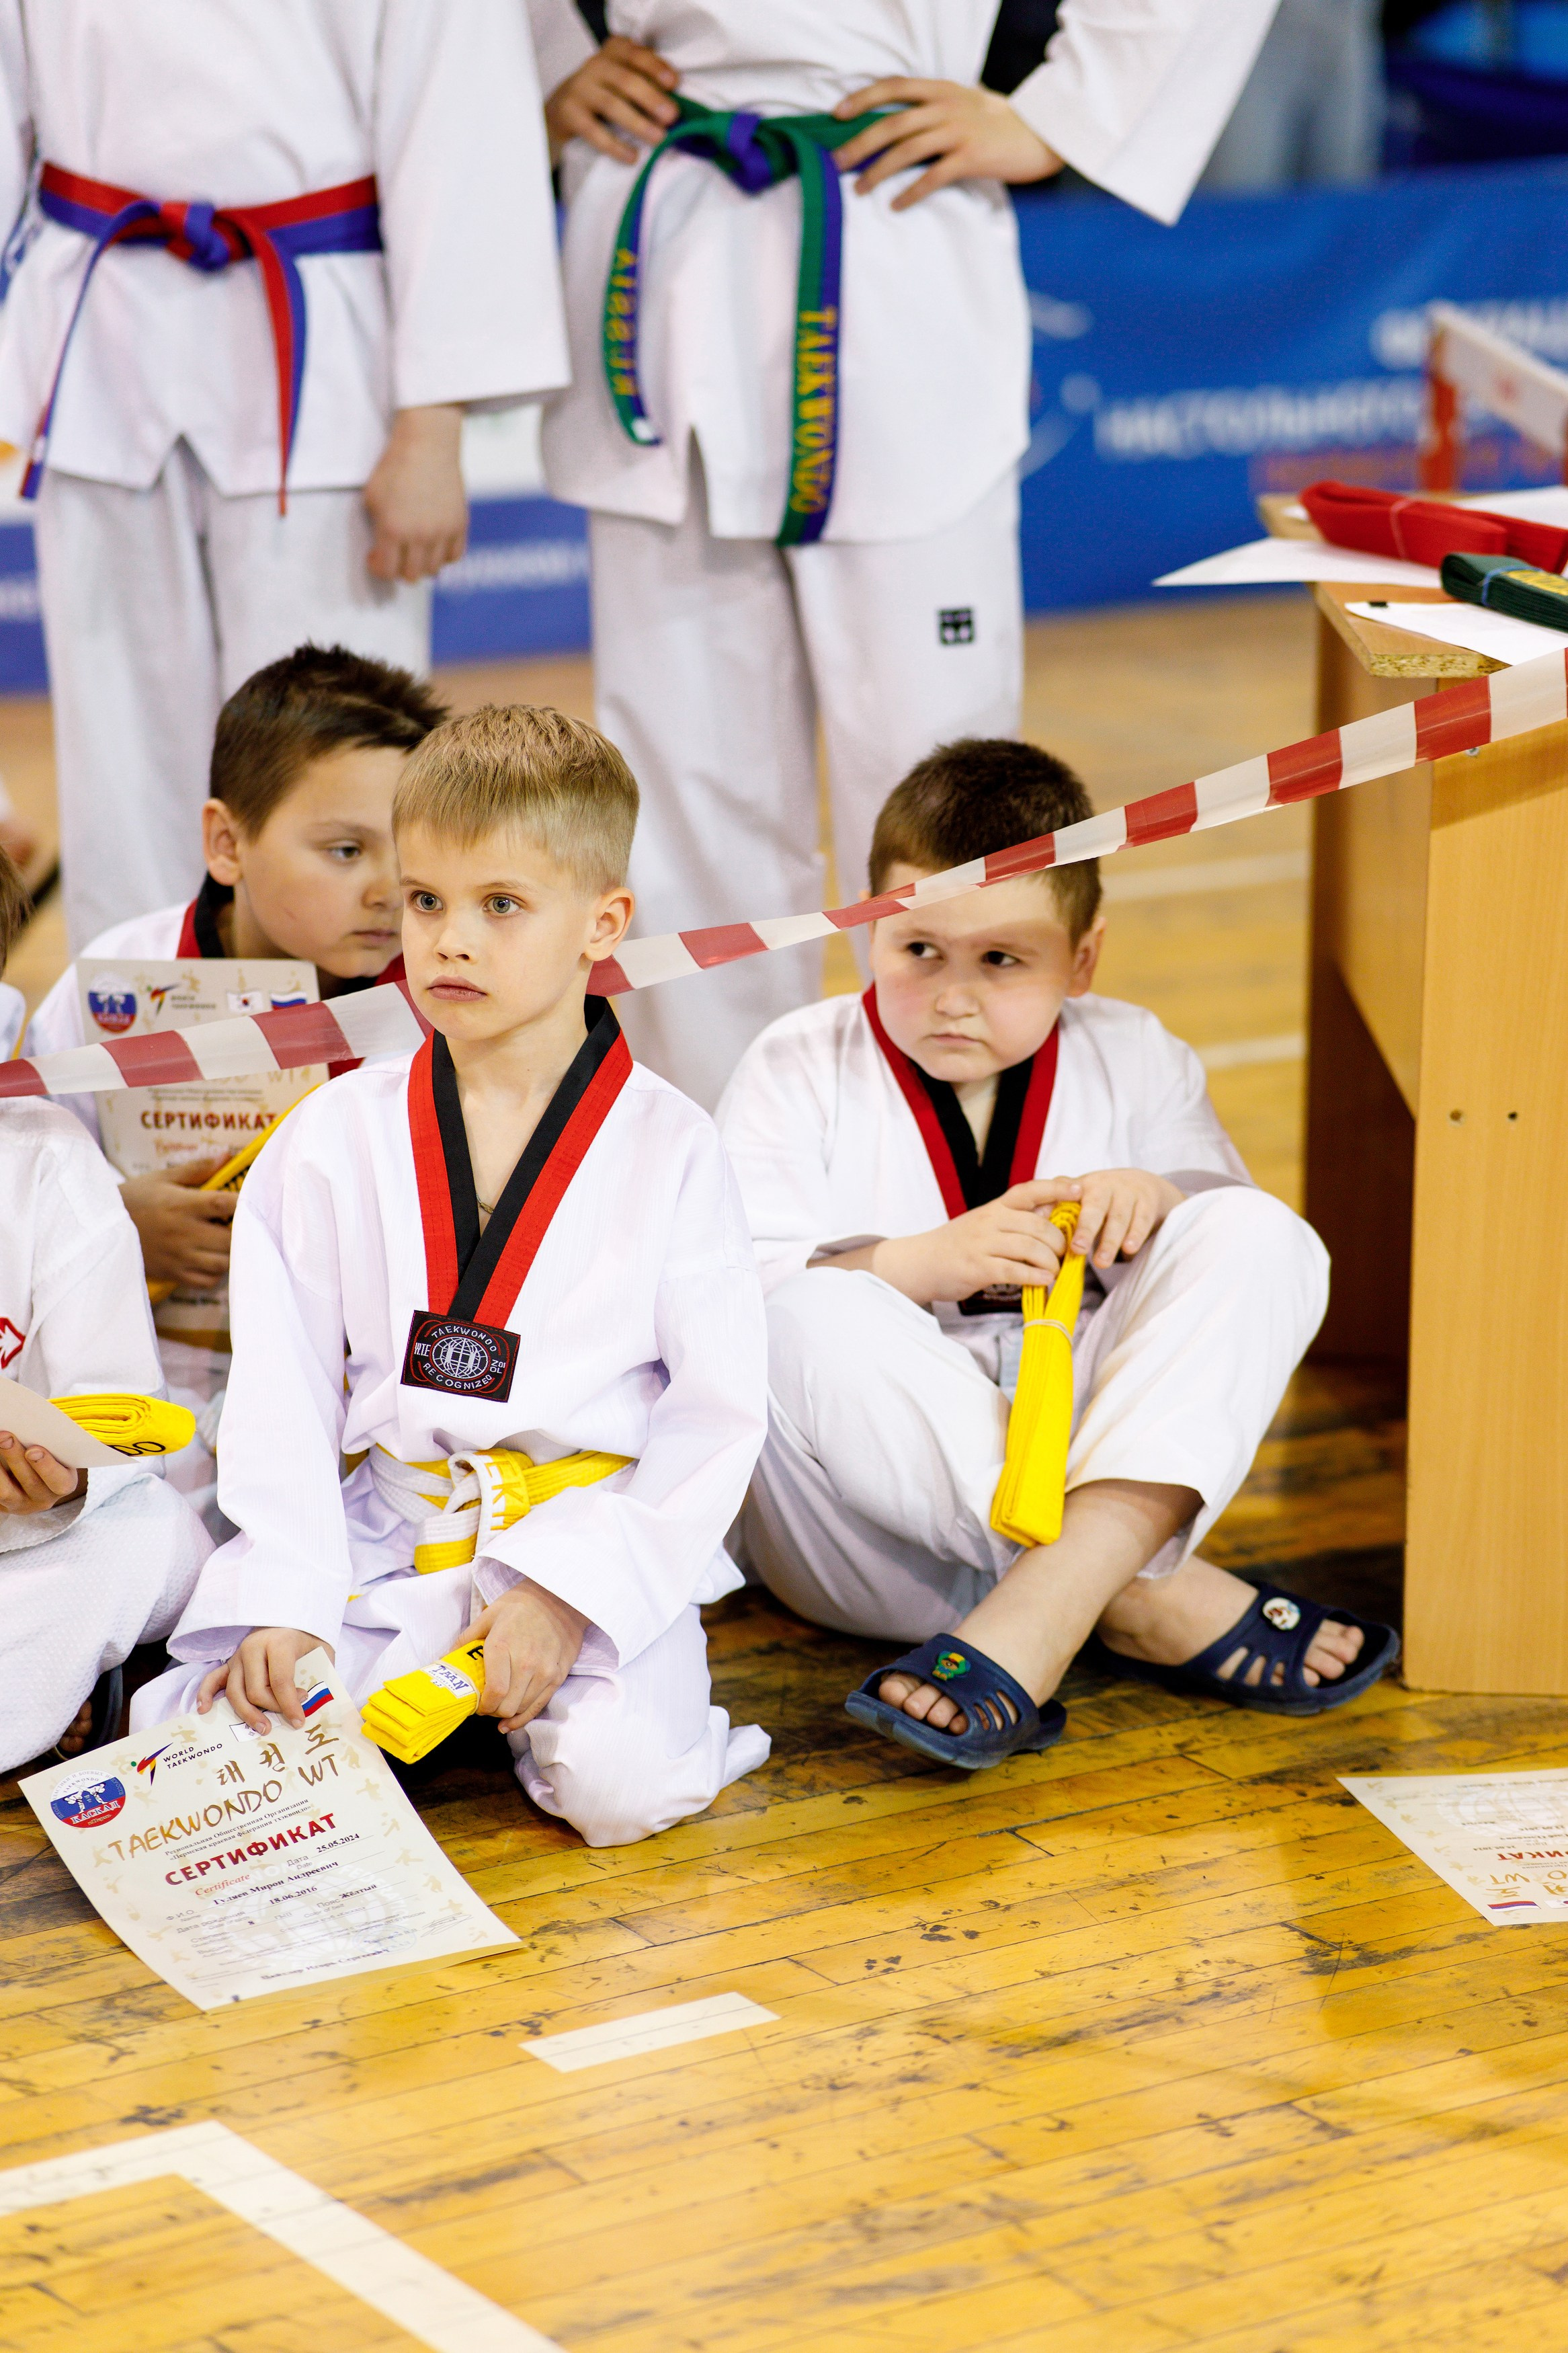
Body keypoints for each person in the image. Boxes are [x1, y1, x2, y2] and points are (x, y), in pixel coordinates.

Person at [529, 0, 1281, 1107]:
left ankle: (950, 1149)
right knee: (684, 808)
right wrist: (546, 51)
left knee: (940, 796)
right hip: (666, 217)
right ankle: (711, 1154)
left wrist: (1068, 114)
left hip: (891, 221)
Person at [132, 705, 771, 1848]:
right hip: (386, 1538)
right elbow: (282, 1395)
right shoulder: (332, 1134)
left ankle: (606, 1703)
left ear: (603, 923)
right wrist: (284, 1599)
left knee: (621, 1791)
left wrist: (565, 1597)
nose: (449, 943)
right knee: (219, 1754)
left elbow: (714, 1415)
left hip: (580, 1537)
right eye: (425, 901)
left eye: (501, 906)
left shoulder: (673, 1145)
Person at [716, 740, 1398, 1767]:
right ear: (866, 929)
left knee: (1260, 1231)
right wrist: (917, 1262)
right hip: (867, 1547)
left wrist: (1160, 1200)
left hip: (1088, 1469)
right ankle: (1133, 1596)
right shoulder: (796, 1062)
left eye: (1001, 960)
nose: (953, 995)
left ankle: (1040, 1617)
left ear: (1082, 958)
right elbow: (726, 1308)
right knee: (801, 1313)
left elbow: (1221, 1263)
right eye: (918, 949)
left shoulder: (1134, 1053)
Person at [0, 0, 568, 951]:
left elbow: (459, 121)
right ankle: (143, 1028)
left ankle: (352, 1028)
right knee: (120, 757)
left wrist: (434, 420)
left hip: (328, 351)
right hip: (98, 343)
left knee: (339, 754)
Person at [26, 642, 446, 1531]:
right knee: (126, 1536)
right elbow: (20, 1192)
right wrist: (115, 1226)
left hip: (359, 1399)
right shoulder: (119, 982)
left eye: (413, 856)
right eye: (345, 850)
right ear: (228, 843)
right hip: (145, 1374)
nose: (389, 890)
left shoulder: (439, 1007)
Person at [0, 844, 212, 1776]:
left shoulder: (44, 1157)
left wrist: (61, 1482)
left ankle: (58, 1681)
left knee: (153, 1540)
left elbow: (119, 1418)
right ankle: (55, 1698)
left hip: (20, 1550)